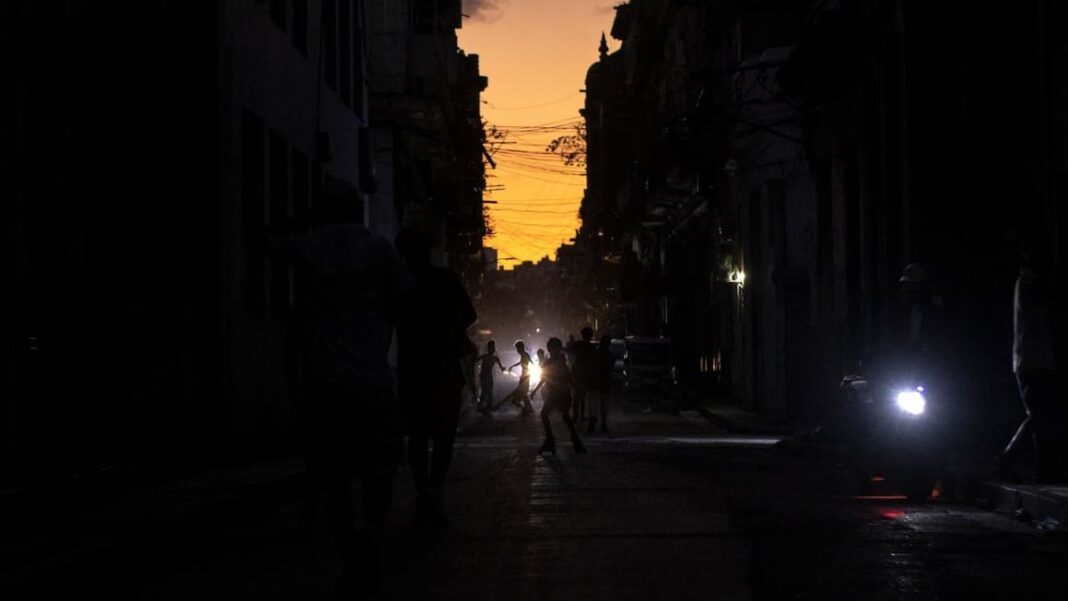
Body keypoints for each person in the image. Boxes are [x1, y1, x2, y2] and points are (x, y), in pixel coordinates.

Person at [267, 181, 412, 597]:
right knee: (380, 467)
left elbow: (269, 242)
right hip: (371, 378)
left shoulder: (310, 248)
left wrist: (302, 219)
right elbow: (404, 304)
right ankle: (371, 531)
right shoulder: (379, 250)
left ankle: (349, 551)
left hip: (323, 382)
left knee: (335, 475)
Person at [395, 228, 478, 527]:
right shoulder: (445, 279)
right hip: (443, 369)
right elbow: (470, 314)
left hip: (413, 370)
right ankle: (433, 492)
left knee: (417, 438)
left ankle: (424, 495)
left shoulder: (401, 283)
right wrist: (450, 332)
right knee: (443, 436)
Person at [997, 239, 1061, 483]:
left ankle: (1042, 468)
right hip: (1033, 359)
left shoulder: (1026, 283)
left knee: (1041, 415)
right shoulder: (1028, 283)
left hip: (1033, 358)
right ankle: (1008, 457)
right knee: (1040, 414)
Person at [538, 337, 587, 456]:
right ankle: (575, 442)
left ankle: (551, 440)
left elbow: (546, 377)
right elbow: (569, 377)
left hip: (556, 393)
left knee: (545, 414)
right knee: (565, 417)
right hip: (563, 393)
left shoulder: (554, 361)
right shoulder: (561, 360)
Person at [498, 340, 534, 416]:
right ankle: (529, 409)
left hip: (525, 376)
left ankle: (526, 409)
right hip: (526, 376)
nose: (517, 350)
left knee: (519, 395)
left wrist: (514, 366)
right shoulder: (525, 355)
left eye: (517, 348)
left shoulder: (524, 355)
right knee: (524, 394)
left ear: (521, 348)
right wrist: (513, 366)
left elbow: (526, 363)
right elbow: (527, 362)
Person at [571, 327, 598, 428]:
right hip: (588, 375)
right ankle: (582, 416)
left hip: (578, 374)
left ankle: (575, 416)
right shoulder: (592, 347)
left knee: (577, 398)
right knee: (584, 398)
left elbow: (570, 354)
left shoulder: (578, 345)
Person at [592, 335, 615, 433]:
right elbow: (610, 369)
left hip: (596, 382)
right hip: (604, 383)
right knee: (604, 405)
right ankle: (603, 424)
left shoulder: (595, 354)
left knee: (594, 405)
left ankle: (593, 424)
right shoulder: (609, 356)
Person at [477, 340, 505, 415]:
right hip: (483, 375)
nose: (493, 349)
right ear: (489, 349)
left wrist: (503, 369)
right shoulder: (485, 356)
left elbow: (501, 368)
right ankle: (481, 407)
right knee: (484, 391)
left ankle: (486, 408)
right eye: (491, 347)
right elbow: (475, 361)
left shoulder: (495, 358)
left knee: (489, 392)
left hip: (488, 375)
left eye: (493, 347)